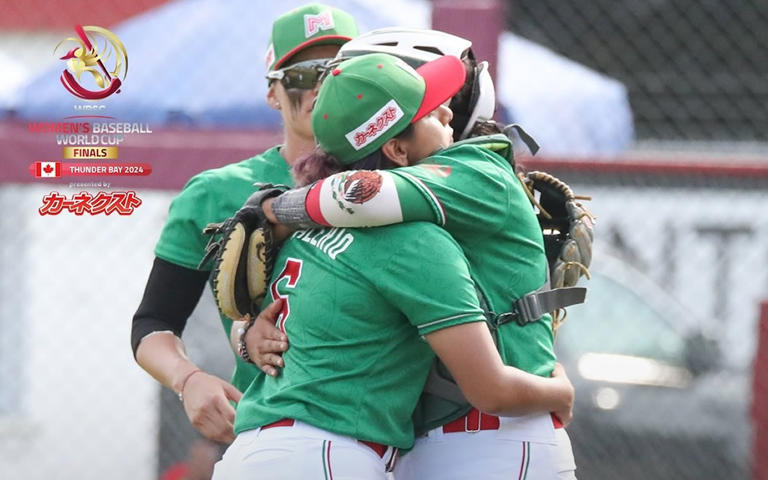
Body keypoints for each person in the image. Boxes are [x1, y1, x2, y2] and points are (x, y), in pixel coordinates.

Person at [211, 52, 573, 480]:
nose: (446, 109)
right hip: (348, 453)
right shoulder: (413, 237)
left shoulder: (298, 234)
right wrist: (561, 392)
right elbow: (490, 389)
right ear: (398, 149)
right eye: (428, 111)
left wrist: (245, 329)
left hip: (253, 450)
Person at [130, 3, 359, 444]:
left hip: (392, 429)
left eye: (340, 72)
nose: (324, 87)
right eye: (304, 75)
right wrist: (188, 378)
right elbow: (153, 322)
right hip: (273, 427)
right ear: (273, 93)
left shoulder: (396, 183)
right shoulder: (215, 193)